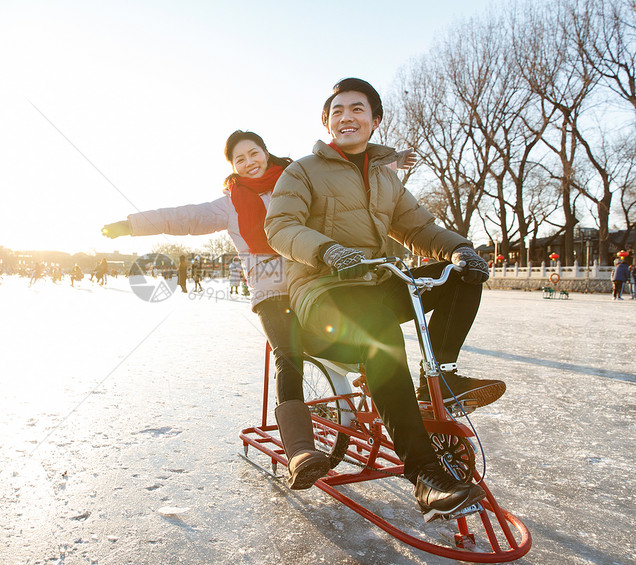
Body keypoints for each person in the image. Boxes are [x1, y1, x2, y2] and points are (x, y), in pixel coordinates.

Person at [102, 129, 415, 490]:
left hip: (315, 280)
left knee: (368, 331)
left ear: (265, 152)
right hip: (272, 292)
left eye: (253, 153)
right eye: (240, 159)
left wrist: (388, 162)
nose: (249, 162)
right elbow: (184, 217)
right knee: (289, 355)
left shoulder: (298, 178)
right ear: (233, 167)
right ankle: (300, 451)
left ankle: (398, 403)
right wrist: (130, 225)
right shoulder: (231, 203)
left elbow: (343, 181)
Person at [265, 77, 506, 521]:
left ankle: (442, 375)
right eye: (337, 111)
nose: (346, 117)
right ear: (327, 123)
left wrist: (458, 248)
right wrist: (328, 251)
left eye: (357, 109)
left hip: (375, 281)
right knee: (380, 327)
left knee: (459, 275)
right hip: (322, 290)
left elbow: (418, 228)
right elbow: (279, 227)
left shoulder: (384, 178)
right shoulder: (302, 170)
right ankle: (424, 475)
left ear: (374, 121)